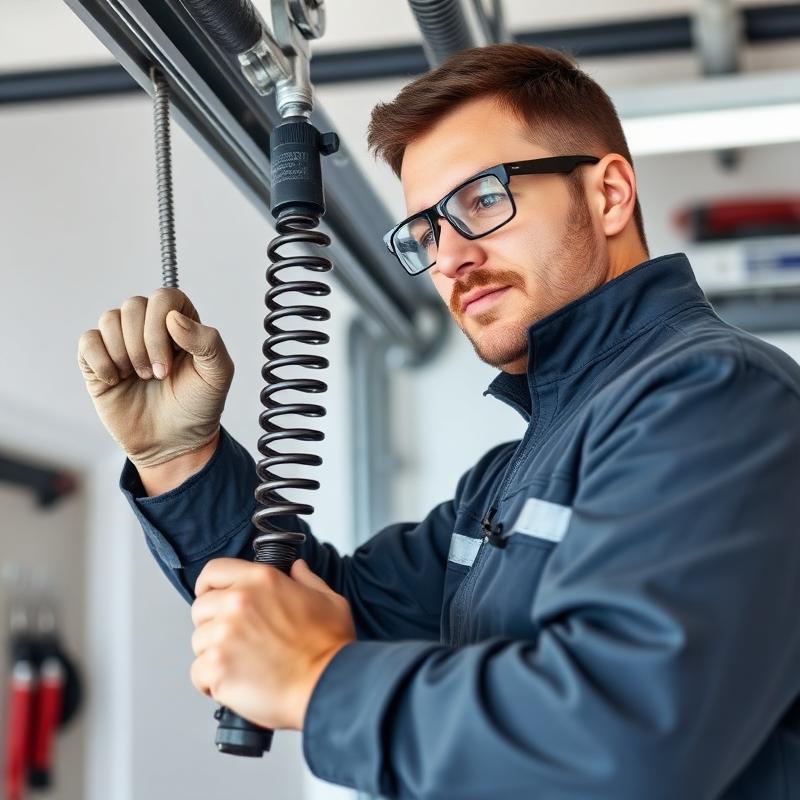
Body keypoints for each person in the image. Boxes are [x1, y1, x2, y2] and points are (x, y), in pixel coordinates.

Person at [77, 43, 800, 799]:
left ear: (609, 193)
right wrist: (180, 458)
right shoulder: (508, 476)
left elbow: (630, 739)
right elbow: (317, 608)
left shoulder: (717, 397)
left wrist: (322, 682)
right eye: (425, 232)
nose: (450, 257)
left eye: (484, 199)